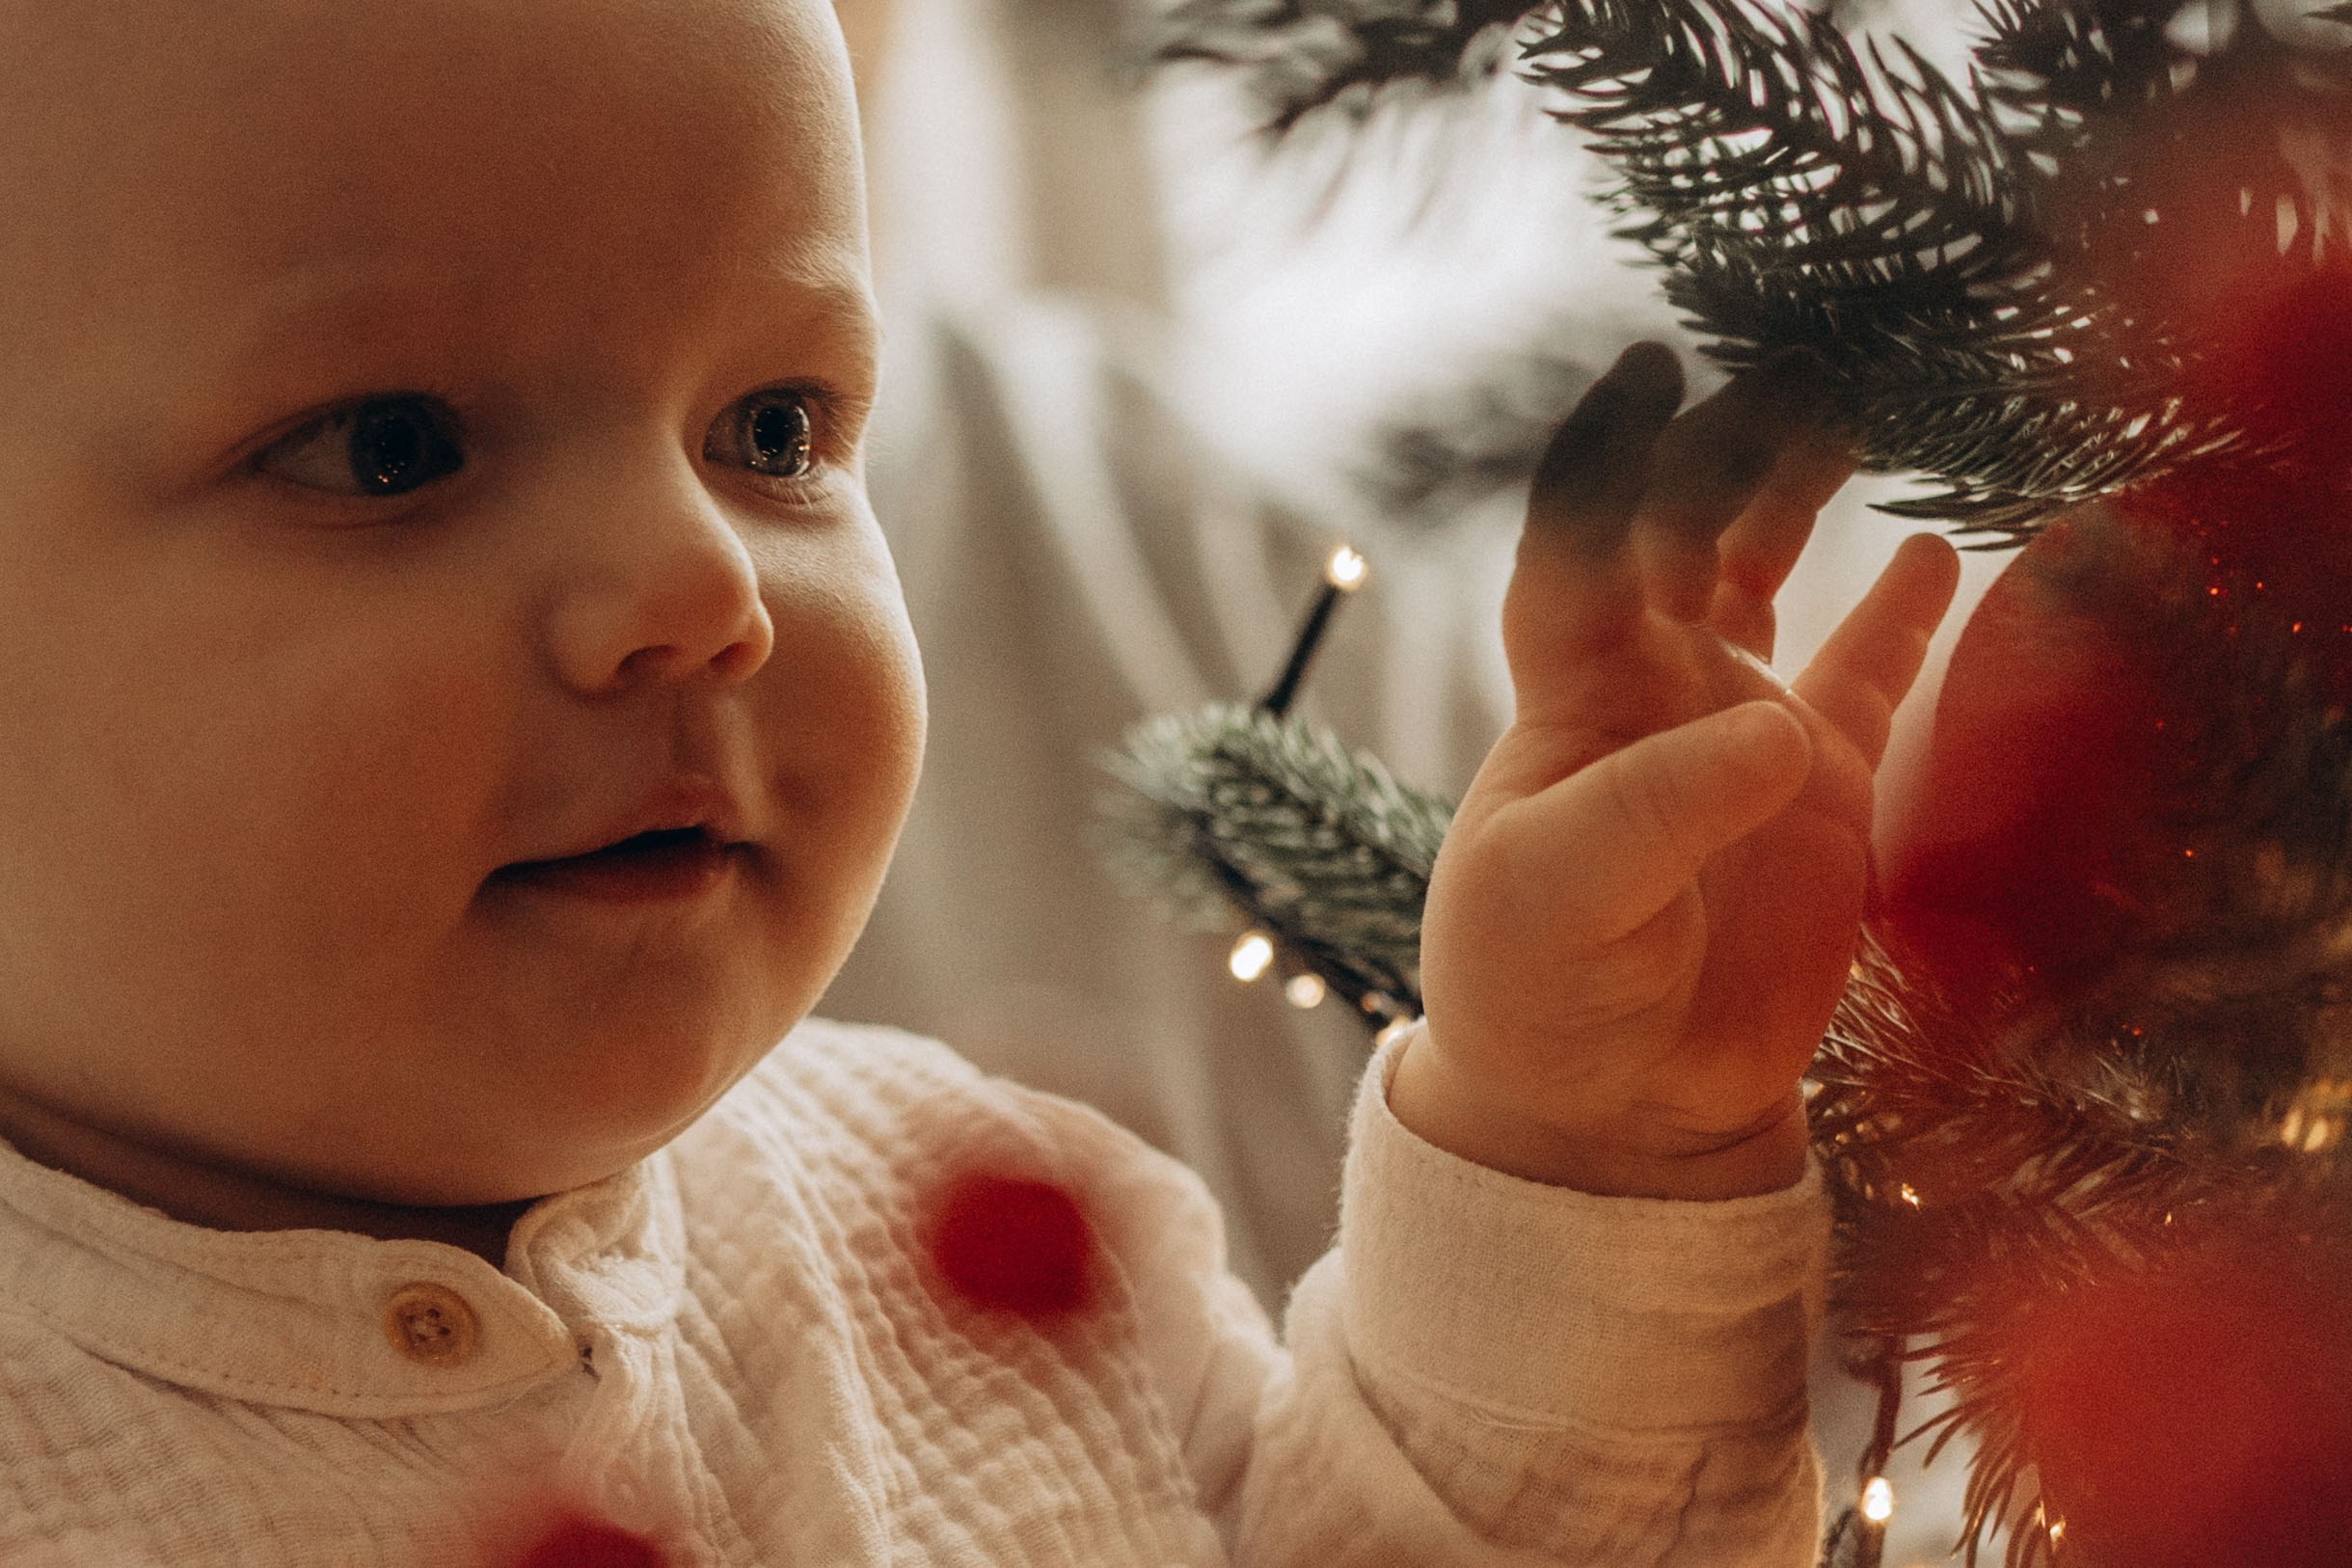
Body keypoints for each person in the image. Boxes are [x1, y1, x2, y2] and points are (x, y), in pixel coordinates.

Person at [0, 2, 1959, 1565]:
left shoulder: (1003, 1231)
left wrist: (1589, 1146)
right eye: (389, 449)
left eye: (772, 428)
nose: (700, 589)